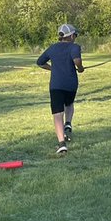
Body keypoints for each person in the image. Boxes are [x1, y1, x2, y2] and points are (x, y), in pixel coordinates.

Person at [36, 23, 83, 155]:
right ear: (72, 35)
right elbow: (77, 61)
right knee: (69, 103)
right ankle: (68, 123)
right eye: (75, 35)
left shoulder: (52, 48)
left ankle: (62, 143)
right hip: (71, 84)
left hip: (56, 85)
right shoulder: (75, 47)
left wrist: (52, 68)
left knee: (57, 113)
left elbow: (39, 62)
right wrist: (80, 68)